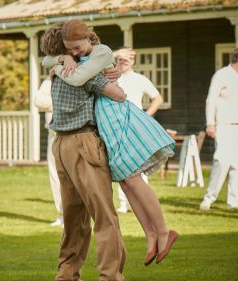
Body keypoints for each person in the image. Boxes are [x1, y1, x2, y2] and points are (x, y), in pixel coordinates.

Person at [43, 19, 178, 268]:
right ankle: (150, 235)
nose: (74, 52)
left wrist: (64, 62)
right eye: (68, 49)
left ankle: (162, 231)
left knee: (133, 177)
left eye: (75, 48)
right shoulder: (75, 59)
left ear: (87, 38)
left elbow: (106, 86)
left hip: (115, 116)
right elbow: (49, 61)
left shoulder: (100, 52)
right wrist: (62, 60)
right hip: (102, 123)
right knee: (126, 182)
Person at [41, 23, 127, 281]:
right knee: (103, 215)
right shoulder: (84, 71)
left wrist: (59, 60)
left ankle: (66, 275)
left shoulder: (55, 72)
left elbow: (47, 60)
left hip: (60, 145)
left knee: (73, 218)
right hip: (84, 142)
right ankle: (110, 276)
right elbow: (119, 96)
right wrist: (113, 76)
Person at [200, 47, 238, 211]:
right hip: (224, 126)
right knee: (221, 161)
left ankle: (234, 201)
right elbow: (211, 100)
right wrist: (210, 123)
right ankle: (209, 199)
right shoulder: (221, 75)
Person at [112, 47, 164, 213]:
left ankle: (142, 202)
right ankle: (123, 203)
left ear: (133, 62)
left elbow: (158, 98)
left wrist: (146, 116)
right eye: (120, 60)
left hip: (135, 124)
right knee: (121, 163)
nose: (122, 63)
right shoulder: (112, 77)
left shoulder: (140, 79)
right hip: (117, 125)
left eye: (126, 60)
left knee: (139, 162)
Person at [34, 78, 63, 227]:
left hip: (70, 135)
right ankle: (62, 214)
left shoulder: (76, 76)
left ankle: (73, 215)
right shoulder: (48, 82)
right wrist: (57, 102)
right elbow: (38, 100)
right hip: (53, 134)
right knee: (55, 175)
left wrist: (52, 102)